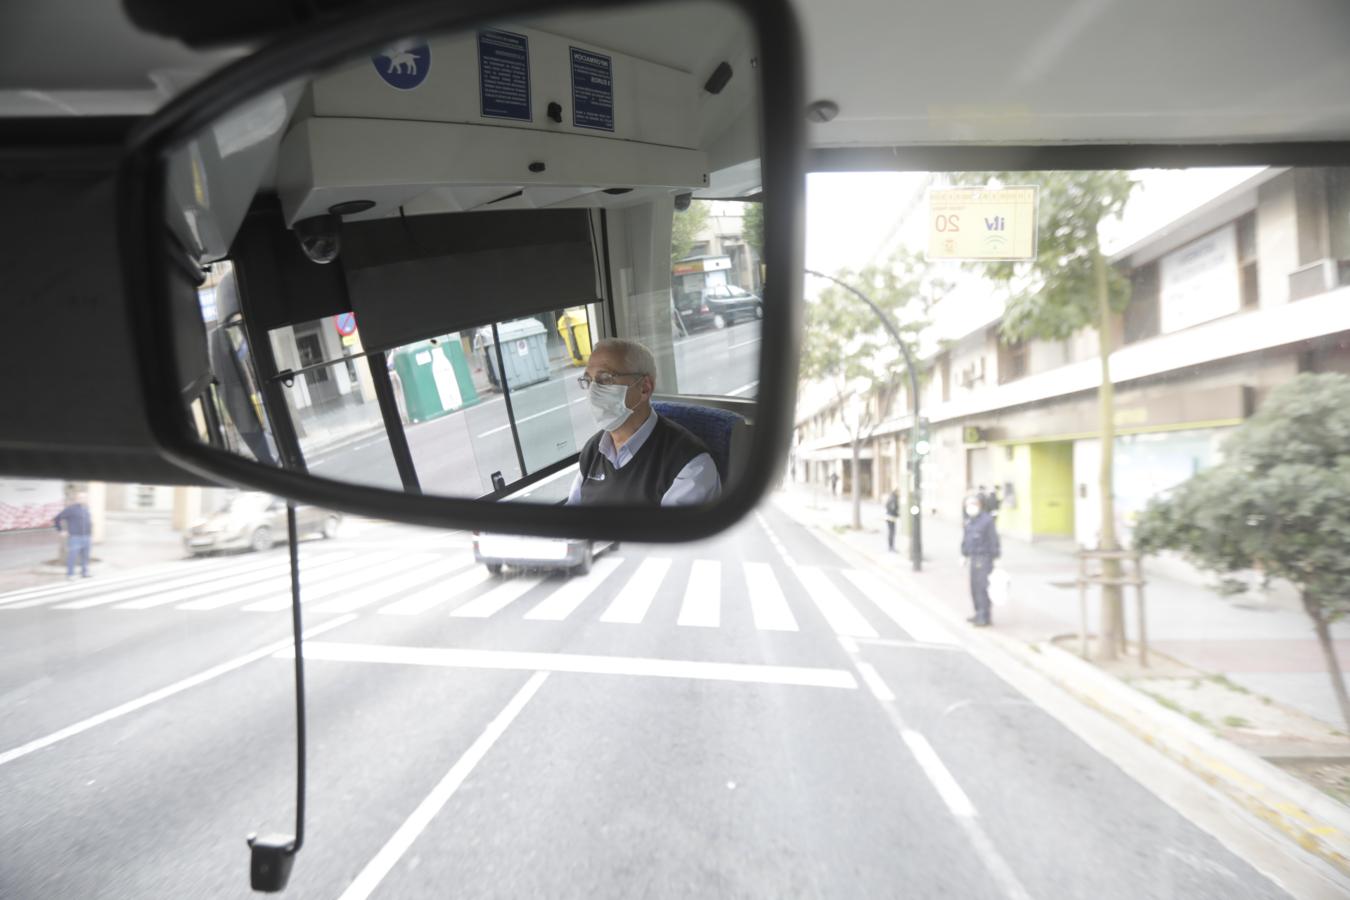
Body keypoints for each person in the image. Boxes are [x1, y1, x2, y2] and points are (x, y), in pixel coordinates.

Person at [567, 338, 720, 506]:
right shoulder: (593, 450)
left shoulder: (689, 464)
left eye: (605, 378)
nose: (592, 390)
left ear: (644, 388)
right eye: (588, 381)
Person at [960, 493, 1000, 627]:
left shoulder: (987, 521)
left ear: (980, 505)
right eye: (968, 505)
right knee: (973, 588)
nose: (970, 507)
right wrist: (964, 554)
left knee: (982, 588)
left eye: (973, 504)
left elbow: (994, 540)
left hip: (984, 558)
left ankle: (984, 616)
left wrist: (995, 557)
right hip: (973, 558)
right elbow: (966, 539)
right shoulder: (969, 520)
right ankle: (978, 613)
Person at [54, 492, 93, 579]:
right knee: (72, 557)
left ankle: (84, 572)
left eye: (85, 497)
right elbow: (57, 518)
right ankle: (70, 574)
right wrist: (61, 530)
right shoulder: (71, 509)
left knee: (85, 556)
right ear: (77, 499)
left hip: (86, 537)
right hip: (75, 537)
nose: (83, 499)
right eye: (81, 497)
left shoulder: (86, 509)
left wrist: (90, 535)